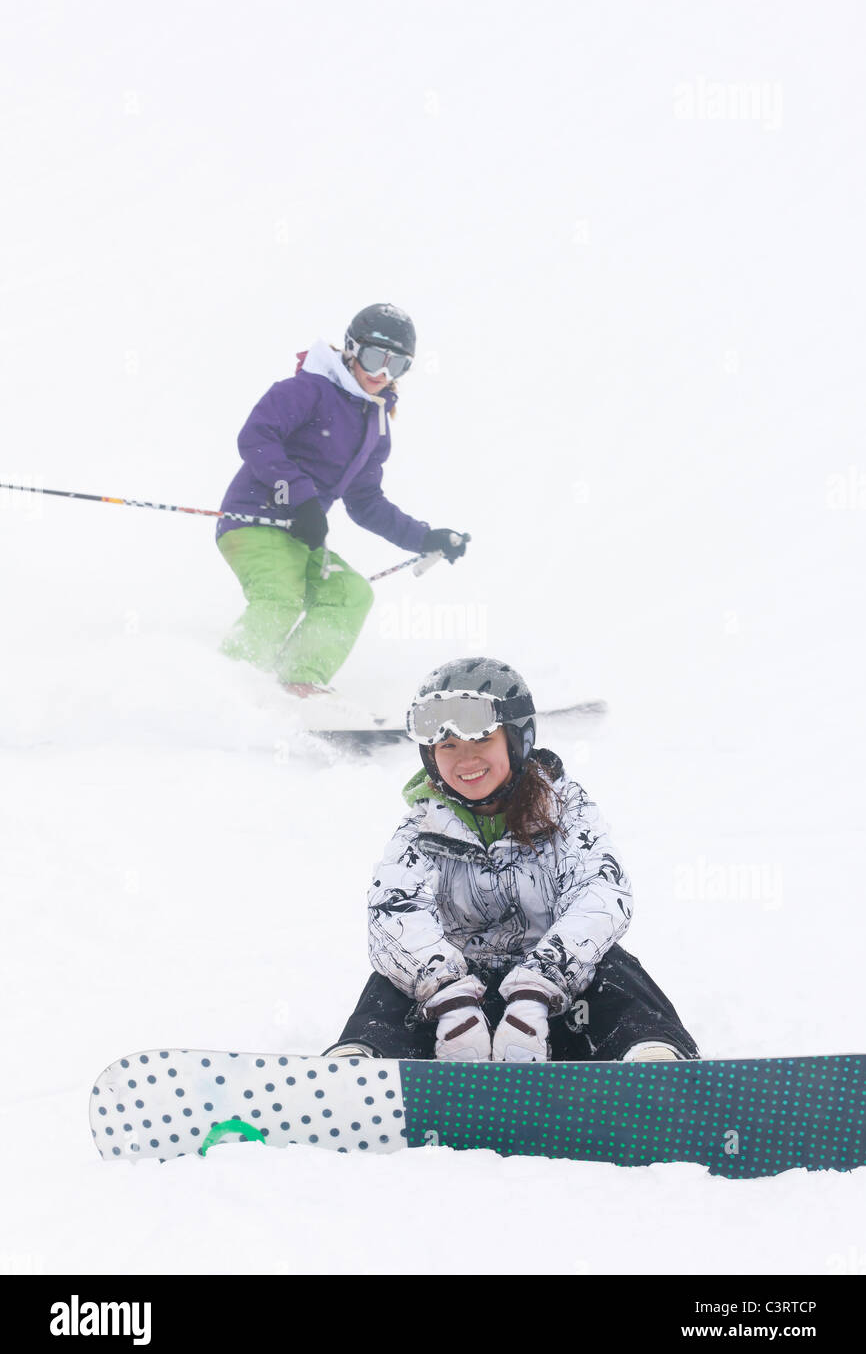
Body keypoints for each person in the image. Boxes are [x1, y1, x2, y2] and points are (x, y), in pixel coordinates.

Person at [325, 657, 700, 1063]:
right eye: (448, 746)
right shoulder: (422, 826)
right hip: (455, 1023)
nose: (465, 760)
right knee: (391, 982)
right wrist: (448, 996)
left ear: (517, 739)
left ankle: (652, 1059)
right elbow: (393, 909)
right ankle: (361, 1068)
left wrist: (537, 987)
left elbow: (601, 893)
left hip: (556, 1009)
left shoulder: (564, 808)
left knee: (612, 966)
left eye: (481, 741)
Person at [216, 303, 467, 696]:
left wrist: (424, 538)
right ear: (351, 350)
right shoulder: (308, 390)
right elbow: (256, 436)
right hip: (255, 523)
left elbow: (366, 501)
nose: (381, 374)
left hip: (302, 535)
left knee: (350, 594)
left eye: (396, 366)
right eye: (373, 358)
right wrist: (298, 497)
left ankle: (298, 681)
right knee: (281, 597)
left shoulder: (374, 425)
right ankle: (227, 685)